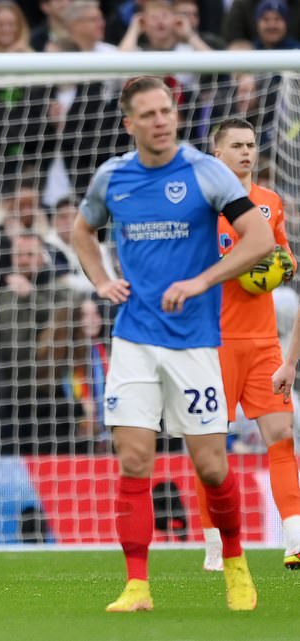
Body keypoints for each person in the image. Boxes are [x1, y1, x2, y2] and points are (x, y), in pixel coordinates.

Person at [72, 76, 274, 612]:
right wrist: (101, 279)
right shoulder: (112, 177)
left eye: (167, 110)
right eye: (150, 114)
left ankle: (235, 564)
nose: (161, 120)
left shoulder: (206, 171)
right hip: (134, 339)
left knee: (211, 467)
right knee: (134, 460)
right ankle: (137, 585)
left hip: (195, 343)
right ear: (130, 123)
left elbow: (261, 239)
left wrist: (203, 281)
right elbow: (80, 232)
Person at [194, 118, 300, 572]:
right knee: (211, 452)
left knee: (281, 438)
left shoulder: (270, 203)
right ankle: (215, 544)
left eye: (251, 145)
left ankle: (295, 539)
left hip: (263, 345)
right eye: (236, 145)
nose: (245, 152)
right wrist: (238, 264)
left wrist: (280, 267)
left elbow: (286, 258)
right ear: (217, 154)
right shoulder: (200, 207)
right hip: (213, 344)